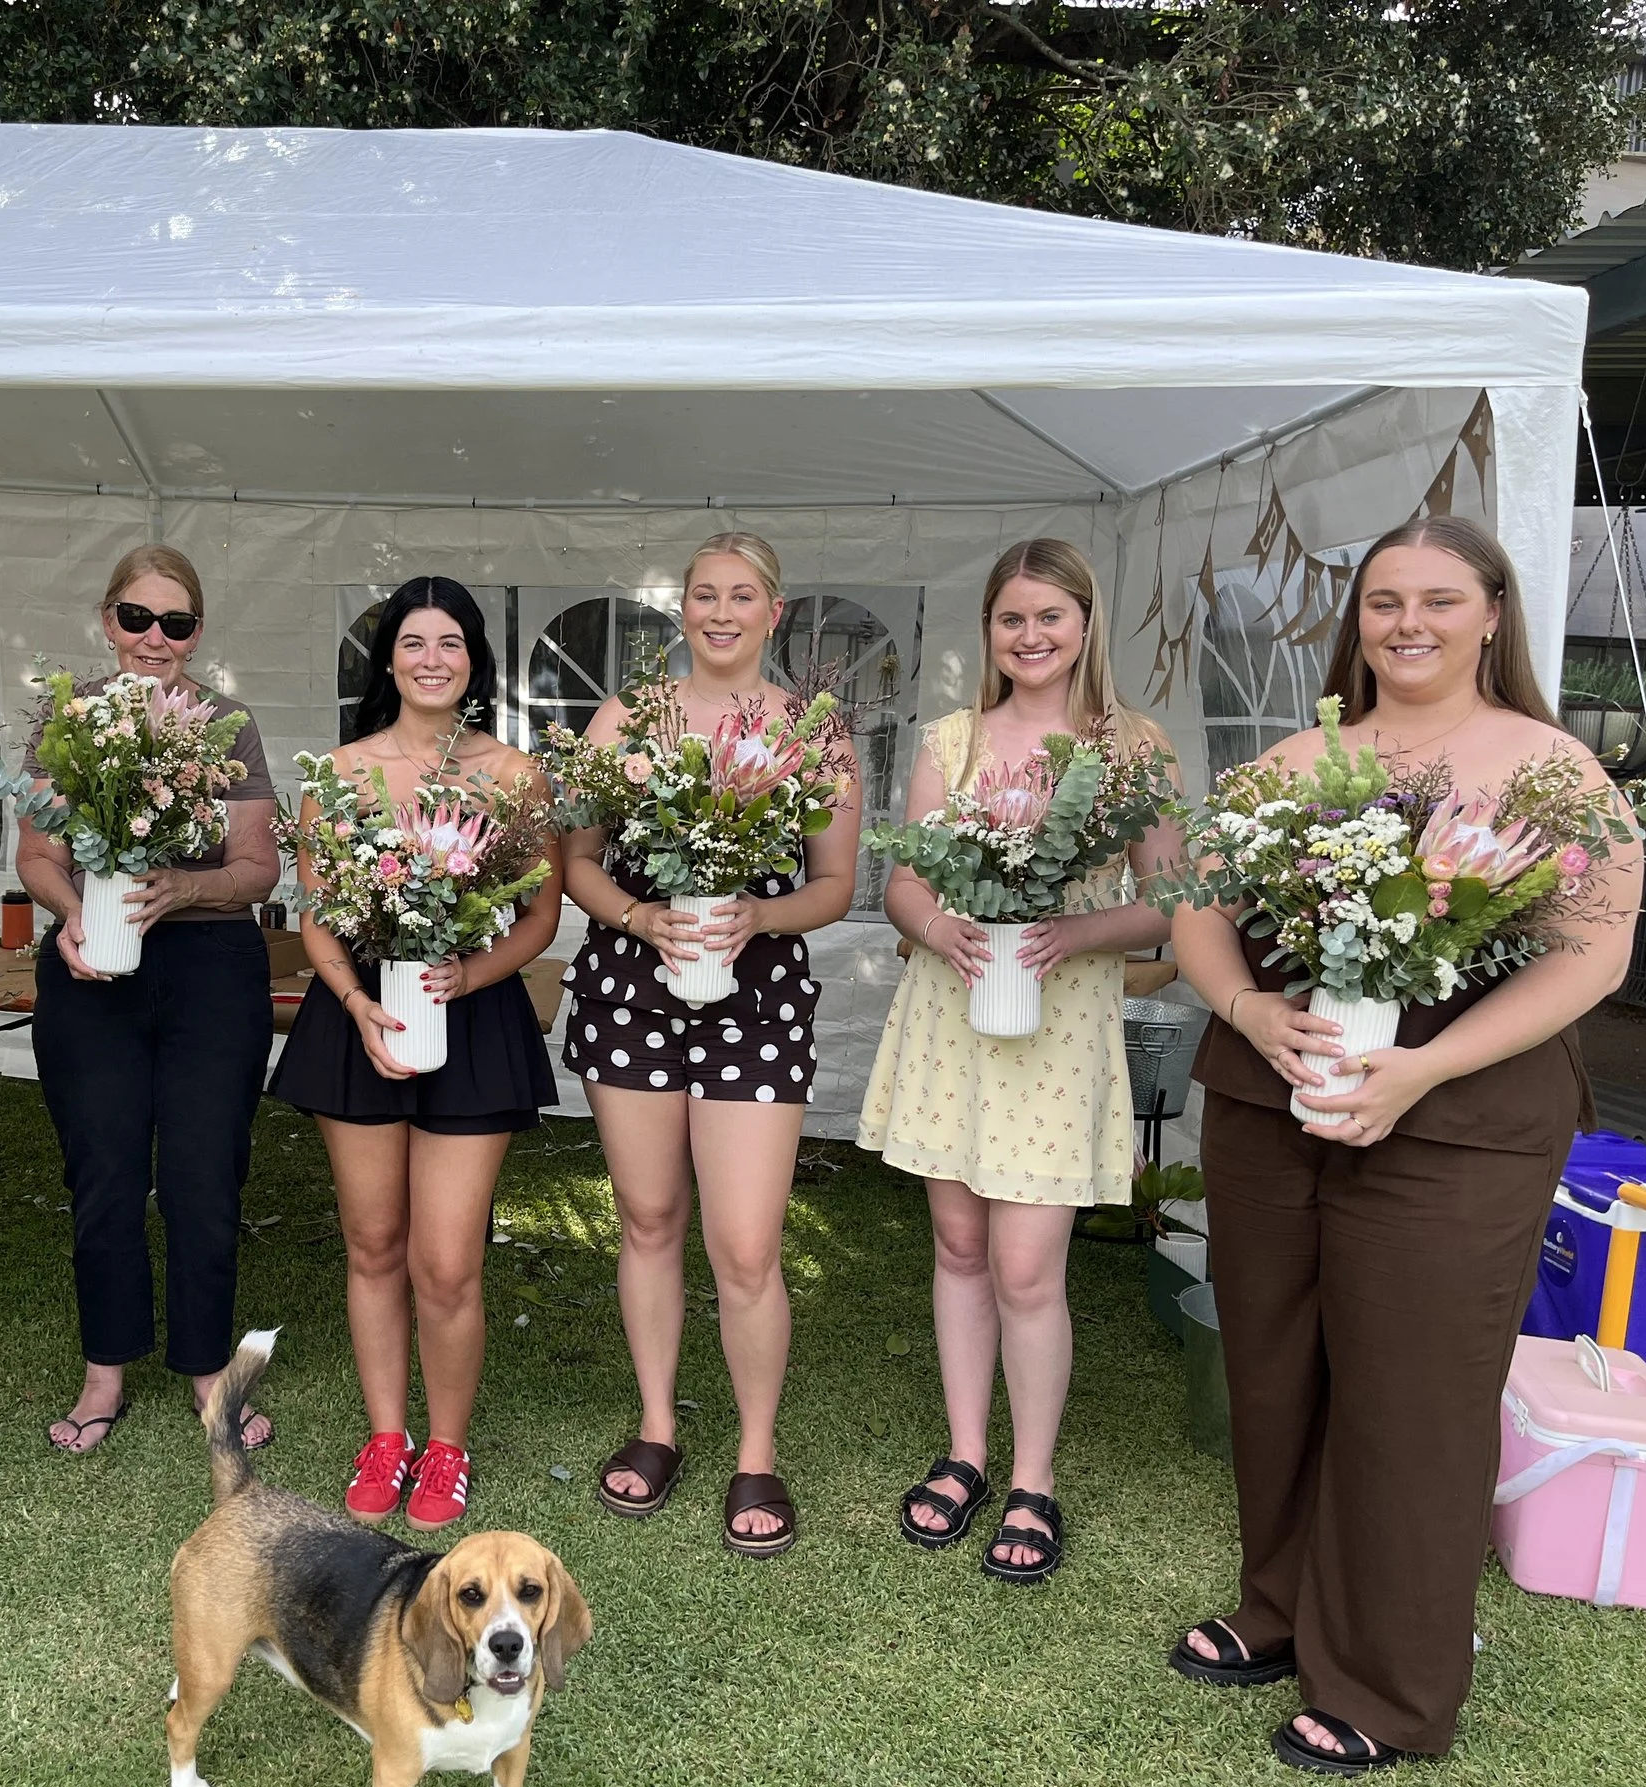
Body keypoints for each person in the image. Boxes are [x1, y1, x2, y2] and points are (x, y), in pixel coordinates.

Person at [1171, 515, 1640, 1773]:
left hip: (1461, 1115)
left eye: (1439, 598)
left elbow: (1594, 955)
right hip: (1276, 1096)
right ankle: (1276, 1613)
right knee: (1270, 1369)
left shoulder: (1553, 771)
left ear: (1493, 611)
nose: (1408, 623)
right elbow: (1198, 915)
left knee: (1412, 1401)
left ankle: (1388, 1688)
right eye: (1384, 601)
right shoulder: (1292, 758)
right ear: (1357, 620)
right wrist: (1249, 1008)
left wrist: (1423, 1065)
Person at [858, 539, 1180, 1583]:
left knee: (1028, 1266)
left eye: (1050, 616)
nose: (1031, 636)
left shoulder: (1131, 746)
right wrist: (934, 926)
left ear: (1086, 623)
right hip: (954, 1014)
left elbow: (1169, 898)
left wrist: (1078, 936)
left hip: (1060, 1020)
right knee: (958, 1246)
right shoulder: (953, 738)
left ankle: (1032, 1480)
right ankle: (964, 1455)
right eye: (1011, 619)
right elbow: (906, 879)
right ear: (988, 631)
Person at [564, 533, 859, 1559]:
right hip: (630, 993)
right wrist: (640, 921)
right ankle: (655, 1426)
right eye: (703, 595)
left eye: (741, 597)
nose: (720, 612)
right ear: (681, 610)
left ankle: (755, 1450)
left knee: (744, 1245)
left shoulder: (809, 732)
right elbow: (579, 865)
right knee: (646, 1218)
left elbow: (834, 886)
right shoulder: (624, 719)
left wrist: (759, 921)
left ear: (773, 612)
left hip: (755, 998)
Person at [270, 576, 561, 1532]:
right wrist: (356, 1002)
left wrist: (467, 981)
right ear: (387, 657)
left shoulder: (513, 775)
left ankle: (446, 1447)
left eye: (451, 643)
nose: (431, 658)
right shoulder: (340, 771)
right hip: (359, 1022)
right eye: (413, 641)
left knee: (446, 1263)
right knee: (373, 1243)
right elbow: (318, 917)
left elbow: (540, 917)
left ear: (473, 660)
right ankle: (386, 1434)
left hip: (470, 1022)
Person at [20, 545, 281, 1455]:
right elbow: (37, 853)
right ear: (108, 619)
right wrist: (71, 917)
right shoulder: (65, 719)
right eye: (137, 617)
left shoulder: (227, 723)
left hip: (211, 966)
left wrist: (181, 886)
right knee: (103, 1176)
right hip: (93, 966)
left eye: (175, 623)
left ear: (196, 633)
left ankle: (213, 1374)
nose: (153, 638)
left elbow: (257, 867)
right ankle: (104, 1373)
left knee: (206, 1177)